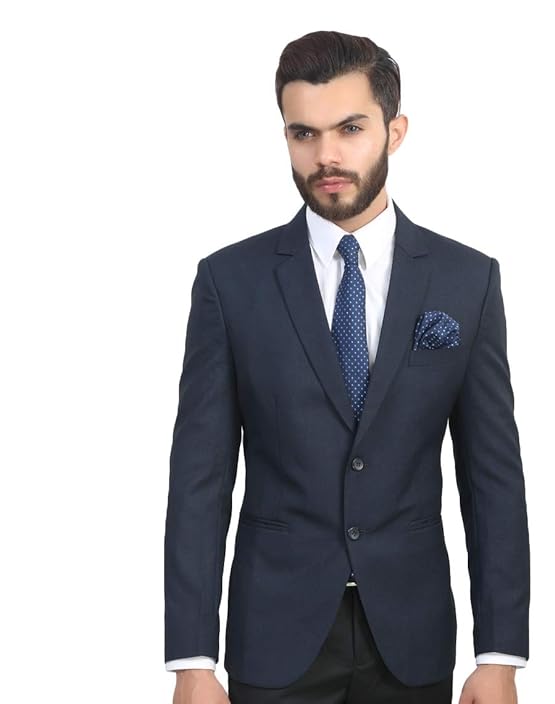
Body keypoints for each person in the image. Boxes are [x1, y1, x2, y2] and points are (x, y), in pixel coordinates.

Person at [164, 29, 530, 704]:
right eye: (302, 133)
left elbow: (492, 479)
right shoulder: (230, 282)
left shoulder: (466, 280)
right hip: (273, 634)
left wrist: (499, 653)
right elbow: (199, 479)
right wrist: (192, 659)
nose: (325, 155)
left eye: (350, 129)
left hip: (413, 635)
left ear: (395, 131)